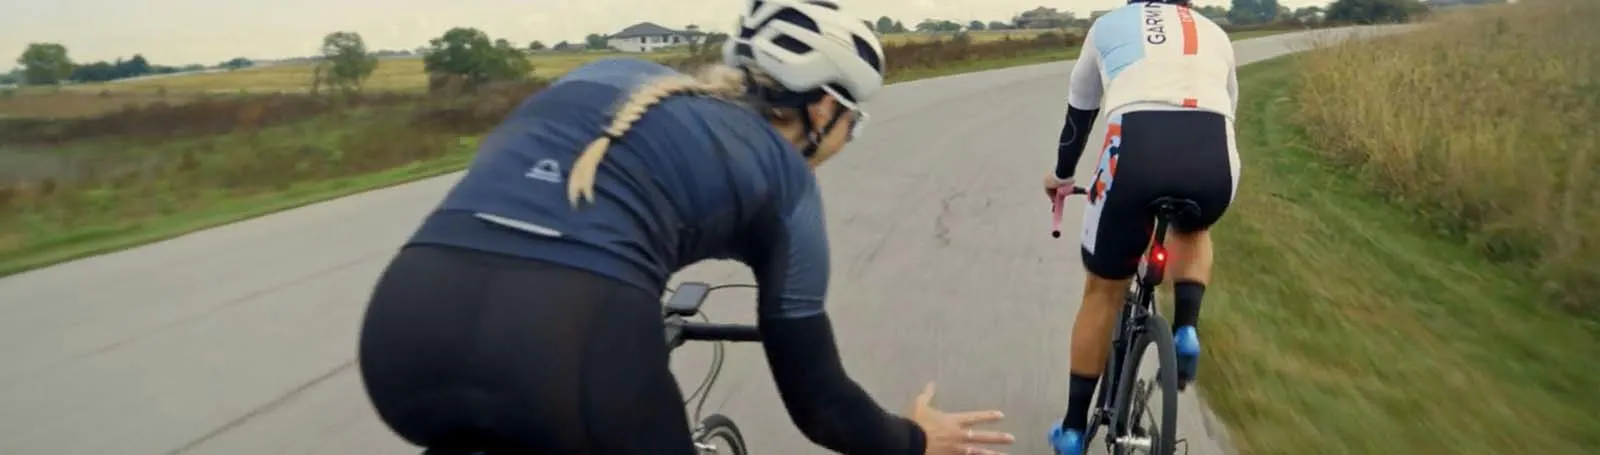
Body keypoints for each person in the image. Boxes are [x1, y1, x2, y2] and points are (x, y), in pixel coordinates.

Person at [354, 0, 1016, 454]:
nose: (851, 138)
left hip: (401, 331)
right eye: (854, 121)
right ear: (821, 106)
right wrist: (916, 438)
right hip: (574, 349)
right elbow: (821, 403)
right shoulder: (787, 183)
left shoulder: (607, 76)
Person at [1040, 0, 1241, 453]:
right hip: (1213, 155)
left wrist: (1063, 175)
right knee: (1194, 228)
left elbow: (1079, 115)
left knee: (1103, 292)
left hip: (1135, 146)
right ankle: (1186, 328)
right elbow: (1229, 109)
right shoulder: (1214, 31)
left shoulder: (1108, 25)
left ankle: (1073, 430)